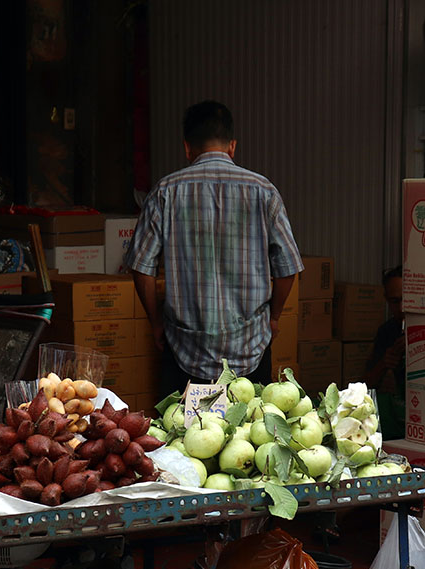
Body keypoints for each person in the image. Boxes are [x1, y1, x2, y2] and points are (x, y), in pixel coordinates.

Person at [125, 101, 302, 398]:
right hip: (251, 348)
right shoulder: (264, 191)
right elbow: (287, 268)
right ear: (232, 146)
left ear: (187, 148)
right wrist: (273, 318)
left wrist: (156, 323)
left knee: (181, 438)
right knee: (249, 439)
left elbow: (141, 267)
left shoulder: (165, 191)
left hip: (184, 351)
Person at [363, 265, 406, 437]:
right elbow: (366, 384)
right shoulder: (387, 331)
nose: (402, 308)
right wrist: (384, 363)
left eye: (407, 299)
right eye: (395, 301)